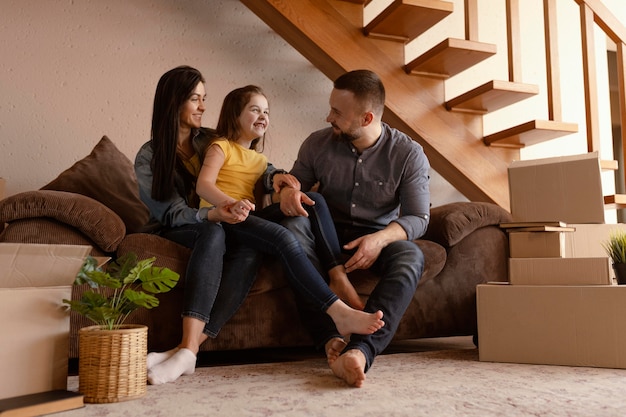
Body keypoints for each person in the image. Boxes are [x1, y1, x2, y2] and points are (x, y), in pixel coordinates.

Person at [278, 69, 430, 387]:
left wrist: (380, 239)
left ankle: (360, 352)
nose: (328, 117)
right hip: (324, 232)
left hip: (377, 235)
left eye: (337, 112)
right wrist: (288, 192)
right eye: (331, 107)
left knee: (411, 257)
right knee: (292, 231)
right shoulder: (316, 145)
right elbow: (295, 188)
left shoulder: (408, 154)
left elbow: (418, 217)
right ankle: (330, 339)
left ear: (366, 117)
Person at [195, 84, 383, 338]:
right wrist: (229, 204)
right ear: (234, 115)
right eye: (255, 110)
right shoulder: (221, 147)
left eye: (267, 112)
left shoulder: (260, 161)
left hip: (246, 221)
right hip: (221, 220)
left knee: (311, 199)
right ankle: (339, 311)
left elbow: (267, 196)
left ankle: (337, 275)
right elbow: (203, 185)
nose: (263, 116)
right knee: (284, 236)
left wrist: (287, 189)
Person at [134, 66, 263, 385]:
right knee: (212, 229)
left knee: (250, 248)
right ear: (173, 102)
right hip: (179, 229)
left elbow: (252, 160)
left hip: (222, 223)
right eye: (195, 99)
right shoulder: (148, 157)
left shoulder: (211, 141)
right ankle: (186, 351)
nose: (203, 106)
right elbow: (172, 214)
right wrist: (215, 214)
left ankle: (185, 350)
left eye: (204, 98)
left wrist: (281, 179)